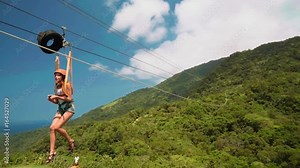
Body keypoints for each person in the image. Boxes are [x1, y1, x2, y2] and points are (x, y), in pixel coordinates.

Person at [46, 68, 75, 163]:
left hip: (69, 109)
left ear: (62, 76)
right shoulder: (57, 87)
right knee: (52, 128)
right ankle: (52, 152)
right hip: (60, 109)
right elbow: (57, 101)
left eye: (58, 75)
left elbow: (69, 98)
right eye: (55, 75)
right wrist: (51, 100)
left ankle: (70, 140)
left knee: (57, 127)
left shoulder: (67, 85)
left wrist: (57, 96)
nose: (56, 77)